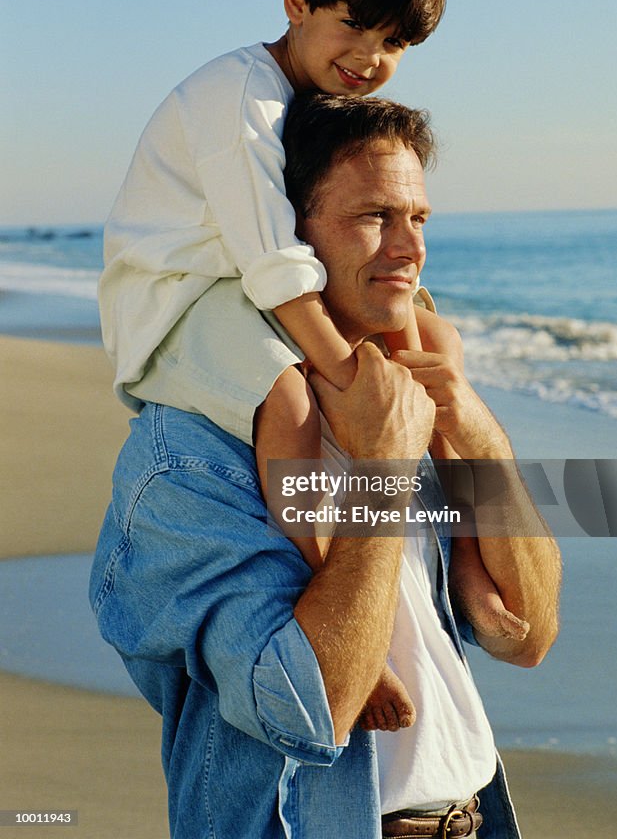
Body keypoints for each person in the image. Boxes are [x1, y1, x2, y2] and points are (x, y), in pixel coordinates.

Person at [90, 93, 562, 839]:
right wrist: (382, 468)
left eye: (419, 219)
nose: (409, 250)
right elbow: (309, 708)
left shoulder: (410, 392)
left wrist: (480, 436)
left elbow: (528, 636)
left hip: (473, 818)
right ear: (286, 233)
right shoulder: (187, 464)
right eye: (373, 218)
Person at [97, 0, 521, 729]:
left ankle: (465, 565)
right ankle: (321, 596)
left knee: (429, 349)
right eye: (354, 28)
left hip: (250, 280)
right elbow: (274, 259)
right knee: (291, 396)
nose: (368, 60)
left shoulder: (312, 97)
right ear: (295, 0)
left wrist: (391, 363)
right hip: (183, 297)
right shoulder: (239, 94)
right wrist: (345, 374)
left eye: (393, 45)